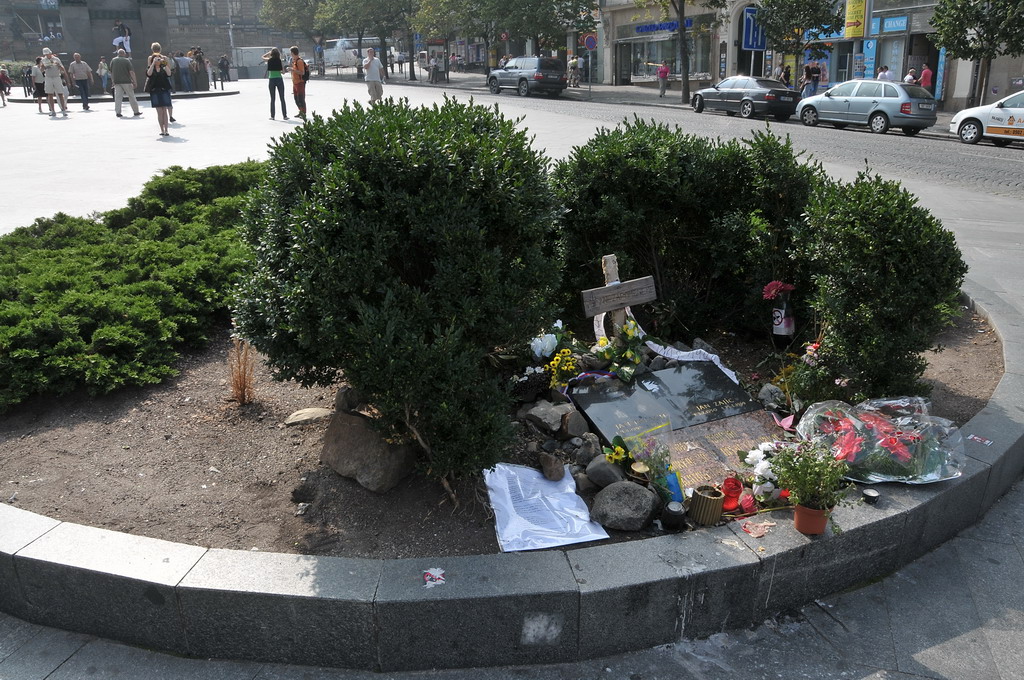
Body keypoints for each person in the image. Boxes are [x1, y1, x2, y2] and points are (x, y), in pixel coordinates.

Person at [146, 42, 173, 136]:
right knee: (160, 110)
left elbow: (169, 72)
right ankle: (162, 130)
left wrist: (163, 62)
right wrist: (154, 63)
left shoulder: (163, 58)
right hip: (155, 88)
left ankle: (165, 130)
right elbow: (149, 72)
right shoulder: (151, 58)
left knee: (163, 110)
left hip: (163, 87)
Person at [110, 48, 141, 118]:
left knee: (118, 98)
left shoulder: (113, 60)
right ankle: (136, 111)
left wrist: (113, 81)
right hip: (126, 82)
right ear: (123, 54)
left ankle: (118, 112)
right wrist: (135, 82)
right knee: (131, 96)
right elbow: (131, 72)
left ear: (118, 54)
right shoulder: (126, 60)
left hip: (117, 82)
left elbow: (111, 72)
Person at [40, 47, 69, 116]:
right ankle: (52, 110)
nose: (47, 55)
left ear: (50, 53)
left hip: (56, 77)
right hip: (48, 77)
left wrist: (58, 65)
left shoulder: (56, 59)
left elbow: (62, 69)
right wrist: (44, 67)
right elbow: (41, 70)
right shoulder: (43, 60)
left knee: (60, 93)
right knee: (50, 94)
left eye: (48, 54)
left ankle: (63, 109)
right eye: (45, 54)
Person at [262, 48, 288, 119]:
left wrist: (268, 53)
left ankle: (272, 116)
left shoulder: (269, 60)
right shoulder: (279, 61)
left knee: (272, 99)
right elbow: (283, 72)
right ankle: (285, 116)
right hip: (279, 79)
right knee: (282, 98)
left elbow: (262, 57)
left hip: (272, 80)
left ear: (271, 54)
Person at [289, 46, 307, 120]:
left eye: (291, 53)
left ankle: (303, 113)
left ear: (293, 53)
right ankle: (300, 112)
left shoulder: (299, 61)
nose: (290, 54)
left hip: (300, 82)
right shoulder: (294, 61)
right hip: (295, 83)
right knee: (296, 99)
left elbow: (302, 72)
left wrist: (292, 70)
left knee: (301, 99)